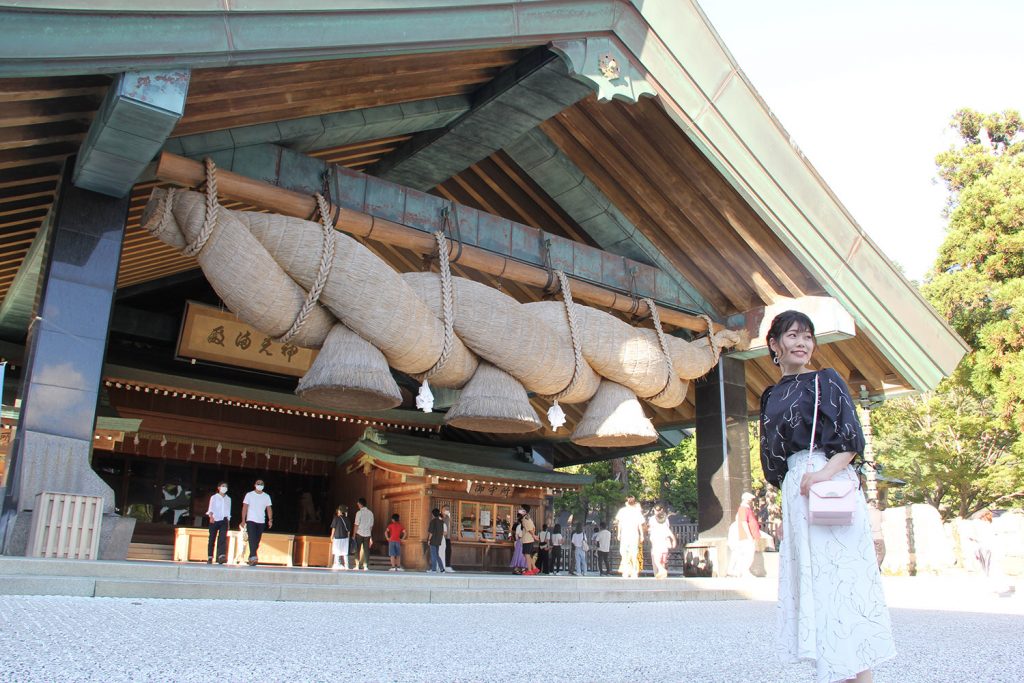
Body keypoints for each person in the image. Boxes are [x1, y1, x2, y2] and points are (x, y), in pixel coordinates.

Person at [760, 310, 895, 682]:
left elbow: (852, 441)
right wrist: (789, 492)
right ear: (774, 344)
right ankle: (837, 673)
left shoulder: (826, 380)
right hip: (795, 490)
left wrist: (820, 474)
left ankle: (861, 676)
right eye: (792, 336)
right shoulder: (770, 395)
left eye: (807, 336)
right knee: (813, 585)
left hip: (828, 482)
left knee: (840, 582)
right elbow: (771, 458)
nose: (801, 343)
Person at [726, 492, 760, 578]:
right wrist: (749, 536)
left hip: (746, 536)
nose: (751, 502)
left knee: (745, 554)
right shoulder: (743, 509)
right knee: (748, 554)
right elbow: (744, 522)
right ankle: (744, 571)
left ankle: (740, 571)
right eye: (750, 500)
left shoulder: (746, 509)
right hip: (745, 536)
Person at [240, 479, 272, 566]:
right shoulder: (249, 495)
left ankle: (251, 557)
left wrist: (270, 519)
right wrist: (243, 520)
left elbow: (269, 508)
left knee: (257, 540)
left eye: (262, 484)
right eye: (258, 484)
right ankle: (254, 557)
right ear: (255, 485)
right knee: (252, 538)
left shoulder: (266, 496)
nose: (260, 485)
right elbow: (245, 507)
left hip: (261, 520)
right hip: (251, 520)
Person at [615, 496, 644, 578]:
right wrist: (641, 534)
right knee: (632, 553)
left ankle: (628, 571)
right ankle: (632, 571)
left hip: (627, 534)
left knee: (626, 553)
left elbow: (619, 523)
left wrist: (619, 533)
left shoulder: (624, 511)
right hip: (632, 534)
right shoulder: (634, 512)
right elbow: (639, 525)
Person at [647, 505, 676, 579]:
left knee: (657, 561)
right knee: (663, 561)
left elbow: (650, 532)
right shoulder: (665, 526)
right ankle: (661, 574)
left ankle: (661, 570)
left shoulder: (655, 528)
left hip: (657, 546)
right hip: (665, 546)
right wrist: (674, 542)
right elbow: (671, 535)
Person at [205, 482, 230, 565]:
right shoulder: (214, 497)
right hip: (215, 519)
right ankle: (210, 556)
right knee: (212, 538)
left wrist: (228, 522)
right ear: (219, 487)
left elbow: (228, 511)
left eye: (226, 486)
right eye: (223, 486)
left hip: (224, 520)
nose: (224, 488)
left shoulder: (228, 499)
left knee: (222, 538)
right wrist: (211, 516)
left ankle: (221, 556)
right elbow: (211, 508)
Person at [353, 497, 374, 571]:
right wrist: (370, 536)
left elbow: (356, 525)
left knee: (357, 549)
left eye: (358, 504)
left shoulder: (359, 513)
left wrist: (353, 534)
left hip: (359, 533)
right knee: (366, 550)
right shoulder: (370, 513)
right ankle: (366, 566)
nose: (357, 505)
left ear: (360, 504)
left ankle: (357, 565)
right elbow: (371, 526)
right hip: (367, 534)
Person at [519, 505, 539, 576]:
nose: (520, 510)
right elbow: (532, 528)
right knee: (528, 555)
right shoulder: (528, 518)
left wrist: (534, 536)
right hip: (529, 539)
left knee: (527, 555)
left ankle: (530, 570)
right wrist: (534, 536)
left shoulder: (525, 518)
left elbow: (530, 529)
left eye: (521, 509)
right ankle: (534, 568)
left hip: (527, 539)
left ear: (524, 511)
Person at [329, 505, 350, 570]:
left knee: (336, 551)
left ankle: (336, 564)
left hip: (337, 537)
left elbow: (333, 528)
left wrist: (331, 536)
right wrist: (348, 539)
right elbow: (349, 531)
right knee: (345, 552)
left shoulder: (336, 518)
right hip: (345, 538)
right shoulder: (347, 519)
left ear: (340, 511)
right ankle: (346, 565)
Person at [868, 500, 885, 569]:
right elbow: (883, 520)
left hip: (870, 536)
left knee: (873, 554)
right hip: (878, 536)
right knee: (881, 553)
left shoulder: (867, 511)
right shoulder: (879, 512)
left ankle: (873, 567)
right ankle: (876, 568)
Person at [426, 508, 445, 573]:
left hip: (433, 540)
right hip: (438, 540)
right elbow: (442, 532)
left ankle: (433, 569)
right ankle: (442, 569)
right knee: (436, 555)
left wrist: (429, 540)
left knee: (433, 555)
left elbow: (431, 532)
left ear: (433, 514)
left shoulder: (433, 521)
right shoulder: (441, 521)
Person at [440, 505, 456, 572]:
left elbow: (452, 525)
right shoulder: (440, 517)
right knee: (440, 552)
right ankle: (440, 566)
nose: (446, 510)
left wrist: (449, 516)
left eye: (448, 509)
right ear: (442, 510)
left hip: (448, 538)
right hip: (440, 538)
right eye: (445, 509)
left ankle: (447, 566)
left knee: (448, 551)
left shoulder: (448, 517)